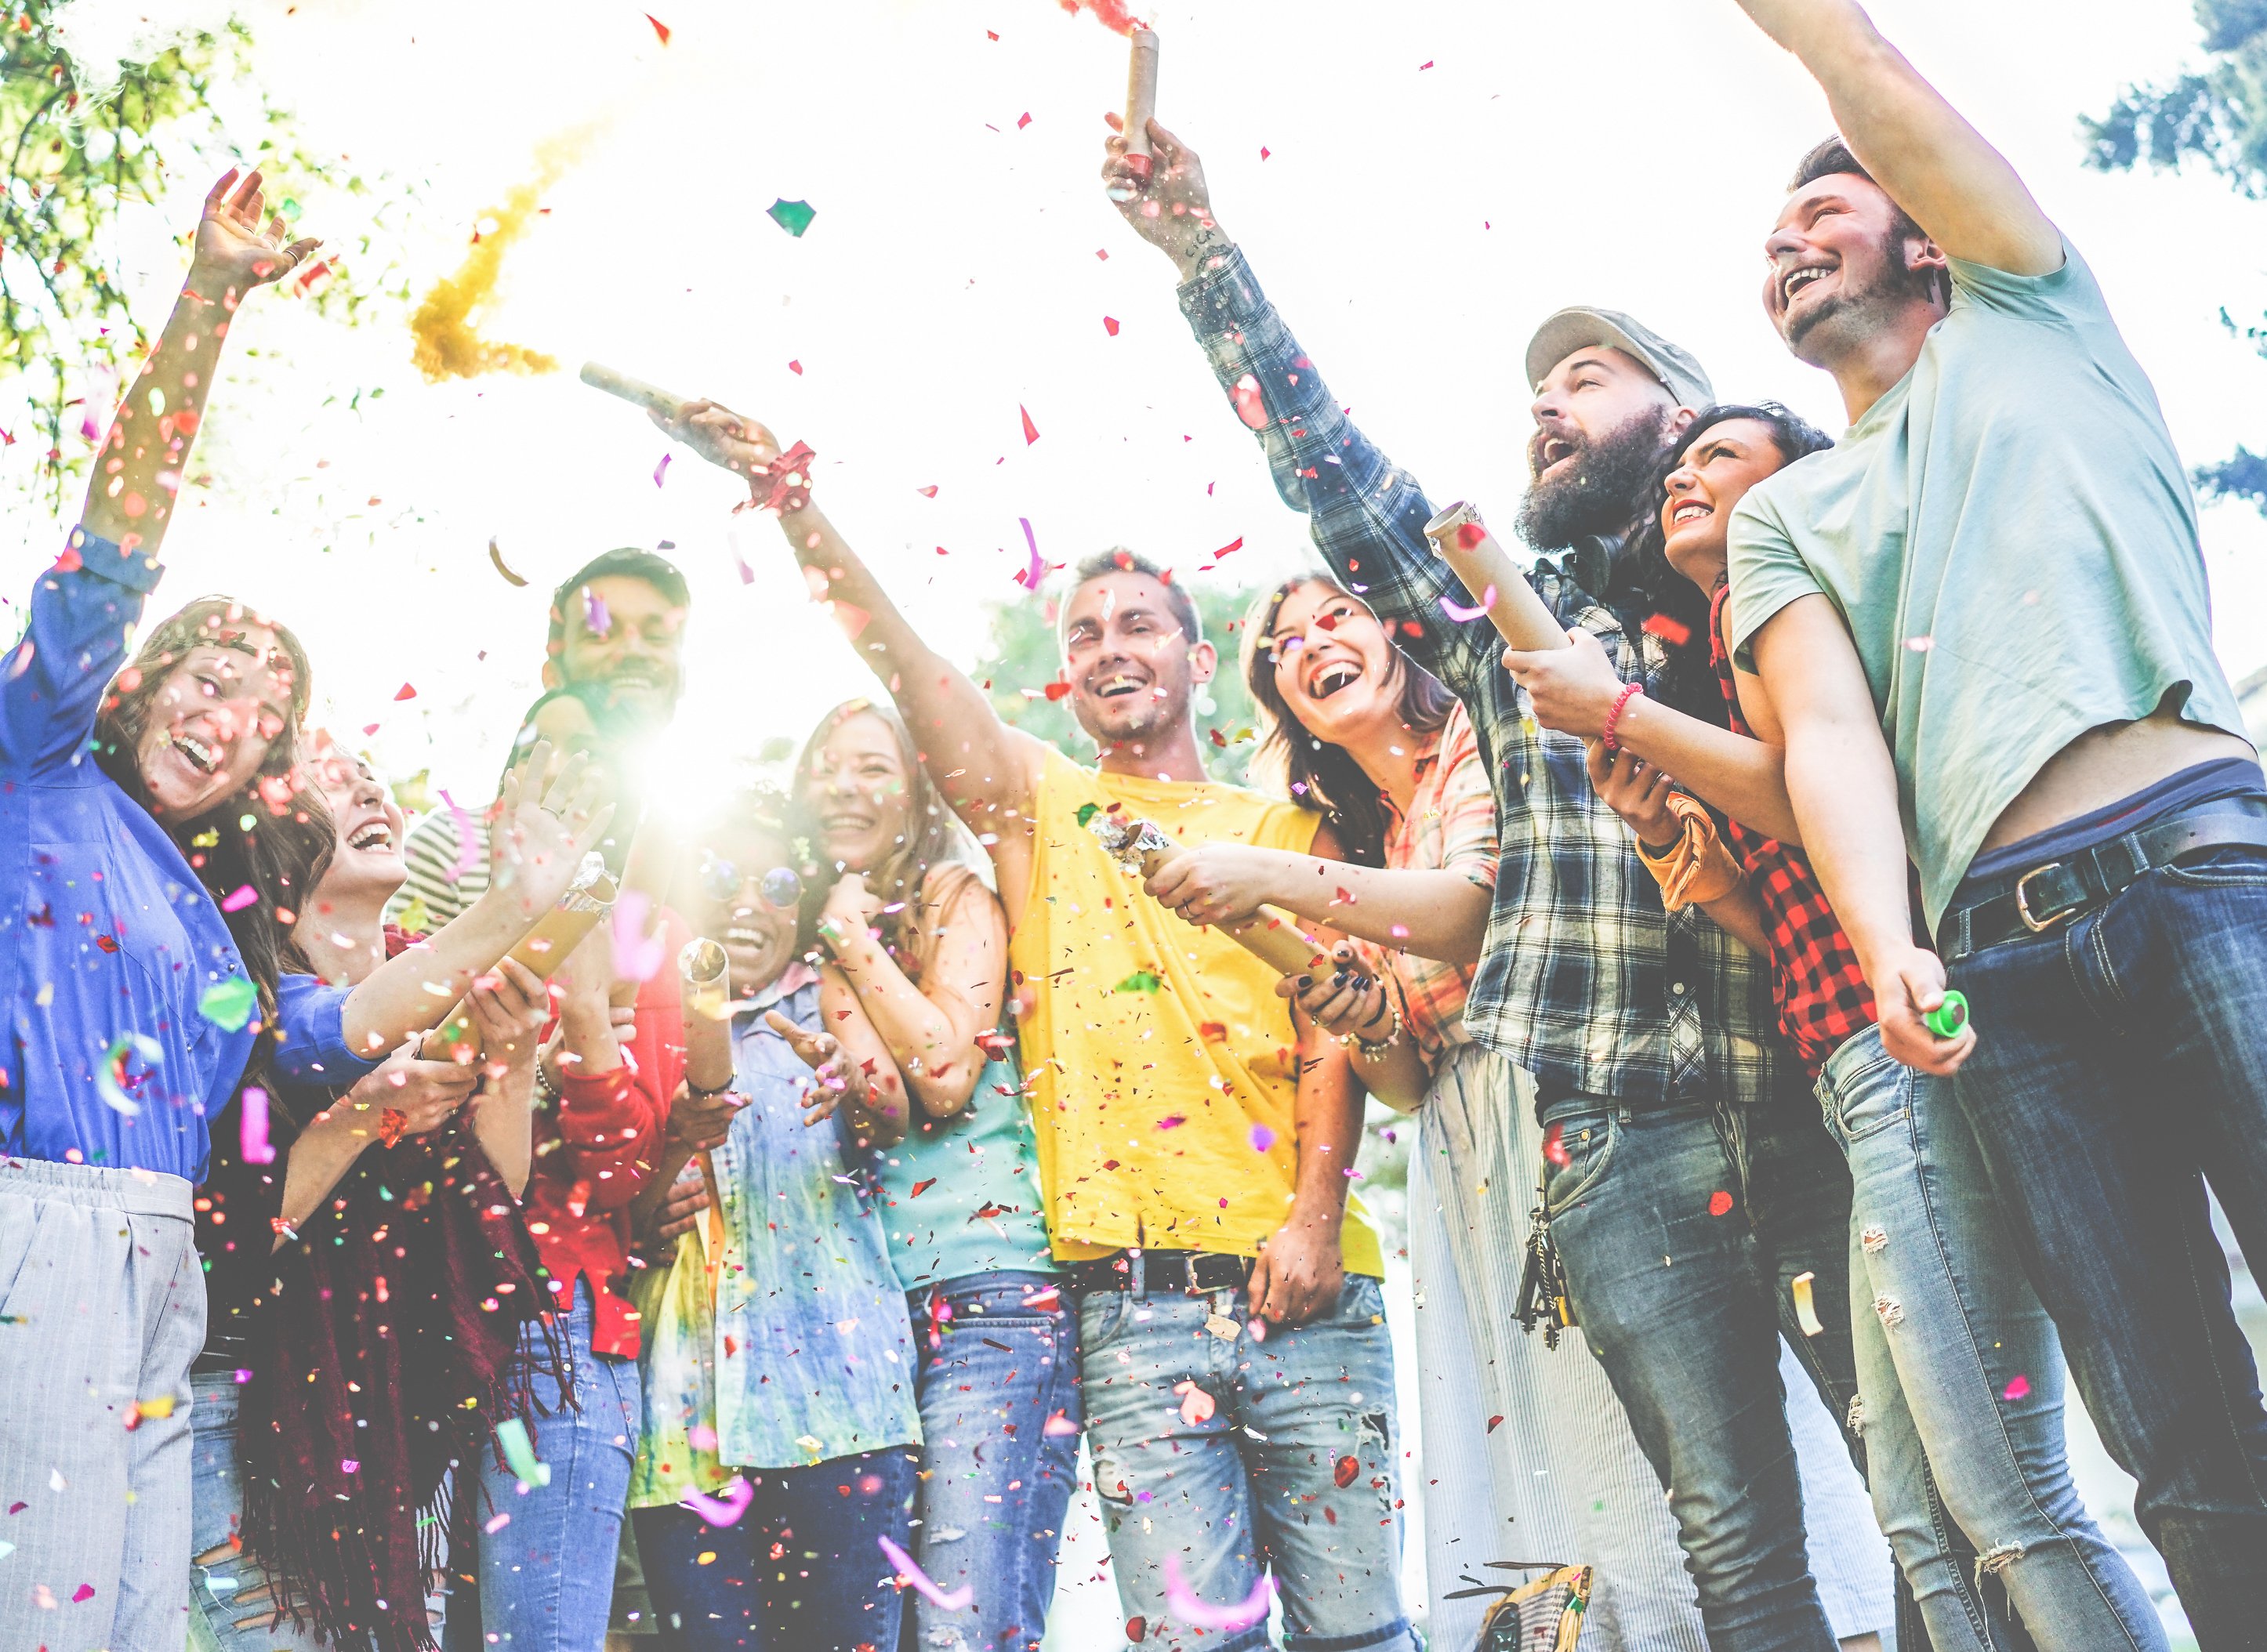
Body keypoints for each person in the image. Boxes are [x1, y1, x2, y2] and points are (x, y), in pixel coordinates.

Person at [1106, 118, 1899, 1652]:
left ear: (1690, 417)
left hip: (1817, 1096)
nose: (1548, 399)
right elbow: (1334, 476)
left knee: (1921, 1484)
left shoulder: (1788, 582)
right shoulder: (1510, 624)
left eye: (1588, 375)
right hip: (1619, 1142)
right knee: (1735, 1547)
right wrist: (1205, 255)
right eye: (1538, 387)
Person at [652, 400, 1413, 1652]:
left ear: (1194, 653)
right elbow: (909, 668)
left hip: (1312, 1287)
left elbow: (1333, 1031)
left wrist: (1317, 1218)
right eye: (1084, 635)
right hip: (1125, 1311)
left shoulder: (1289, 829)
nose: (1111, 650)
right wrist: (796, 507)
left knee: (1361, 1638)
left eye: (1138, 626)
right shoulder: (1036, 814)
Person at [1717, 2, 2267, 1637]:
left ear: (1925, 237)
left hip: (2202, 868)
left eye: (1822, 212)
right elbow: (1832, 743)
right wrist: (1887, 943)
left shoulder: (2038, 312)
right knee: (2168, 1422)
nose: (1788, 247)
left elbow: (1871, 79)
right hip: (2004, 977)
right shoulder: (1783, 518)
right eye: (1767, 243)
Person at [1514, 403, 2168, 1649]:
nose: (1683, 478)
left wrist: (1619, 717)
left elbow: (1829, 799)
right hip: (1842, 1071)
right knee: (1924, 1524)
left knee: (2007, 1496)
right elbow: (1791, 919)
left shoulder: (1798, 606)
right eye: (1678, 466)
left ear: (1801, 485)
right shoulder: (1719, 652)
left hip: (1904, 1059)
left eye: (1724, 454)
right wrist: (1669, 837)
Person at [0, 168, 318, 1652]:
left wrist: (519, 912)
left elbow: (306, 1051)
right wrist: (209, 301)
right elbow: (107, 546)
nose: (229, 708)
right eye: (210, 668)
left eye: (265, 707)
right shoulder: (39, 759)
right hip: (40, 1222)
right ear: (137, 678)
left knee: (135, 1629)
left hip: (157, 1266)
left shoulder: (212, 916)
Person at [190, 736, 602, 1652]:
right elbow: (228, 1244)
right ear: (268, 846)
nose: (366, 782)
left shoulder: (442, 971)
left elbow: (491, 1202)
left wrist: (514, 1051)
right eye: (327, 776)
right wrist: (361, 1115)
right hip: (260, 1422)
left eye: (367, 767)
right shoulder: (244, 996)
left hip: (403, 1412)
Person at [793, 698, 1079, 1652]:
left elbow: (948, 1071)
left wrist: (852, 939)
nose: (845, 783)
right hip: (871, 1319)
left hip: (993, 1294)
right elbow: (891, 1104)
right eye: (827, 765)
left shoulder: (959, 896)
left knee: (966, 1624)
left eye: (873, 765)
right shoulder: (812, 932)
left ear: (915, 792)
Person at [622, 789, 923, 1652]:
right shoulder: (636, 1018)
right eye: (723, 875)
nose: (751, 899)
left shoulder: (832, 1002)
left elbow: (890, 1109)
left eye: (780, 881)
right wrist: (663, 1169)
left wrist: (850, 1081)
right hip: (686, 1422)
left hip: (840, 1405)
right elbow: (623, 1213)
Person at [390, 547, 689, 932]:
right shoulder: (455, 848)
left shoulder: (709, 859)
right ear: (553, 676)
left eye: (657, 635)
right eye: (600, 633)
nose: (633, 650)